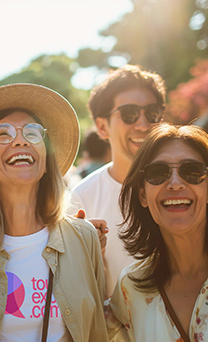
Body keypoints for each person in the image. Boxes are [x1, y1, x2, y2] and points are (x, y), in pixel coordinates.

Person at [0, 83, 109, 341]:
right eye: (3, 133)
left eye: (33, 133)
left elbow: (97, 331)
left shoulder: (85, 237)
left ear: (46, 159)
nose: (21, 140)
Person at [70, 64, 166, 297]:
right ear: (103, 127)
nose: (143, 124)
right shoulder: (83, 198)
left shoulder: (186, 184)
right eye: (129, 114)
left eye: (152, 112)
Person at [107, 123, 208, 341]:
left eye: (192, 171)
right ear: (142, 195)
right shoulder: (130, 287)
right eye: (157, 173)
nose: (174, 183)